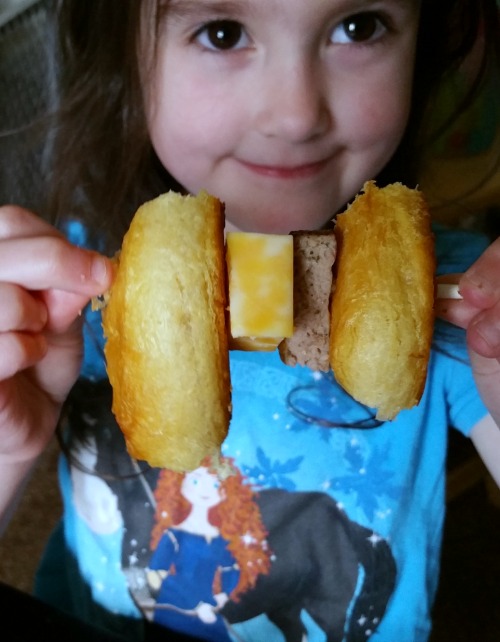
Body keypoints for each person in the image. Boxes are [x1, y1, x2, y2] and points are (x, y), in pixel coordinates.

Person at [1, 0, 500, 640]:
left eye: (359, 26)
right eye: (222, 32)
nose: (295, 115)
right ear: (128, 55)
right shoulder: (65, 301)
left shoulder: (461, 308)